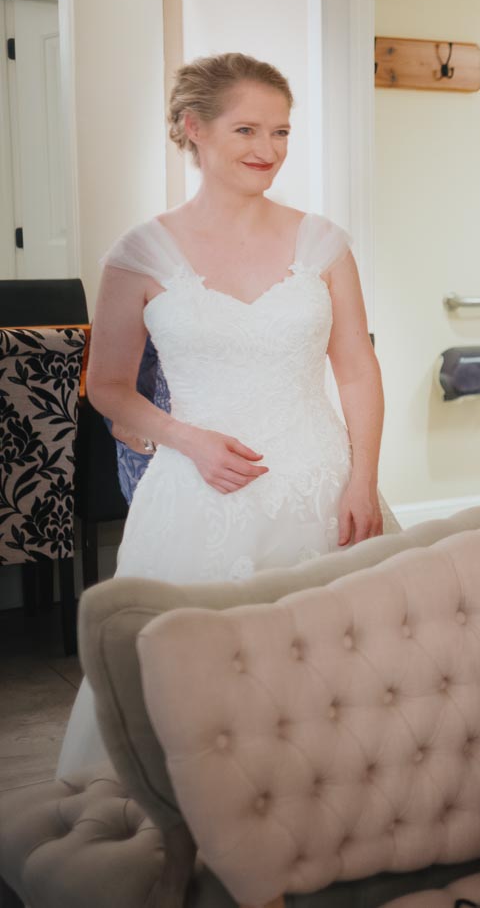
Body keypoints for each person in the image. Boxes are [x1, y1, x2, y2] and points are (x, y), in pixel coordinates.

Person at [56, 52, 384, 776]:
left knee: (331, 679)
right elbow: (107, 385)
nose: (267, 151)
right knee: (197, 691)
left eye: (281, 131)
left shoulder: (322, 243)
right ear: (192, 129)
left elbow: (356, 367)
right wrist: (186, 439)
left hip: (322, 489)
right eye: (246, 130)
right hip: (197, 495)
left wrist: (363, 480)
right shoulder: (140, 253)